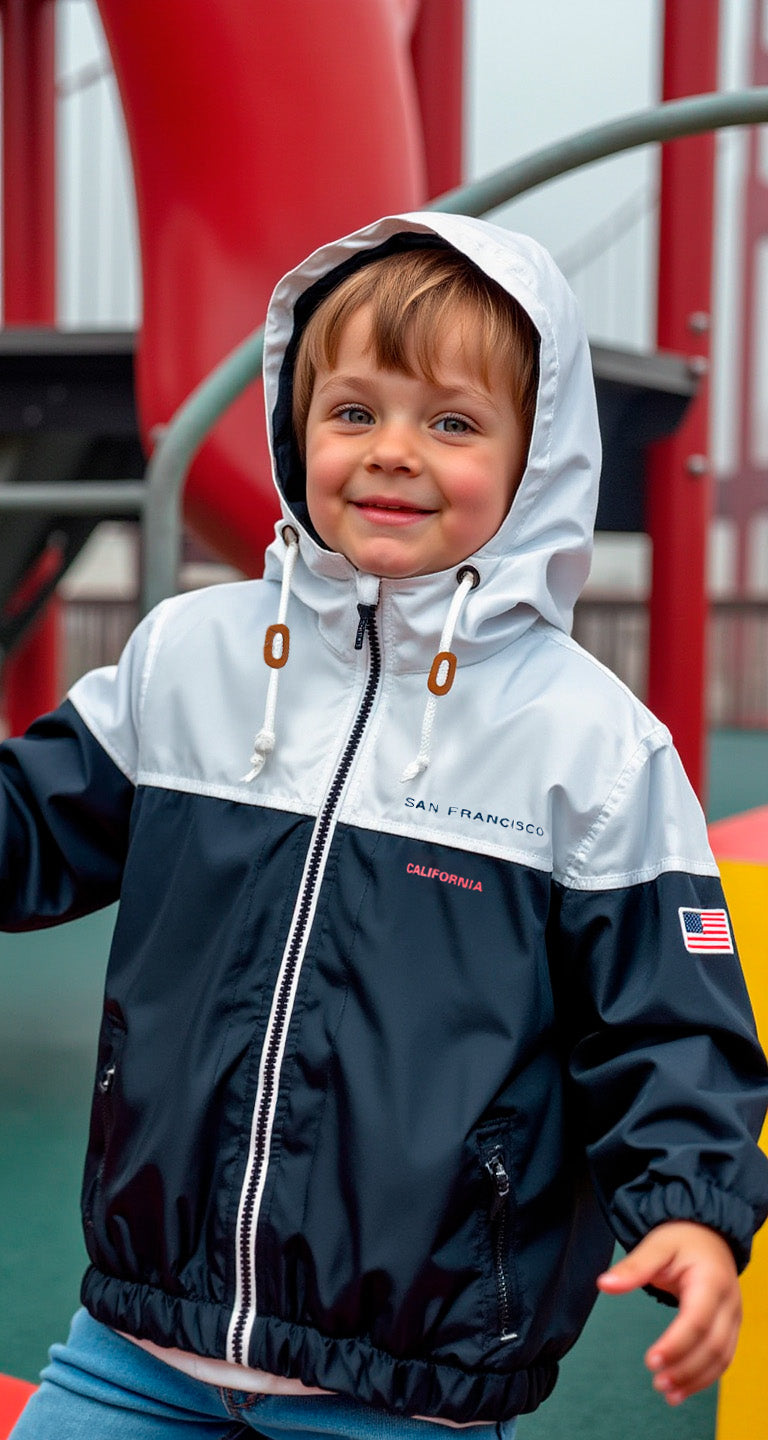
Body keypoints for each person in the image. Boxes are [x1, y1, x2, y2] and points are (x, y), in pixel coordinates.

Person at [2, 212, 768, 1439]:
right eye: (354, 411)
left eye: (452, 423)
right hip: (139, 1344)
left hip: (408, 1385)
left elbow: (669, 1024)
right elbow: (27, 830)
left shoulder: (592, 745)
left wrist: (692, 1208)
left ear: (538, 459)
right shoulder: (187, 660)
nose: (392, 452)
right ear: (296, 426)